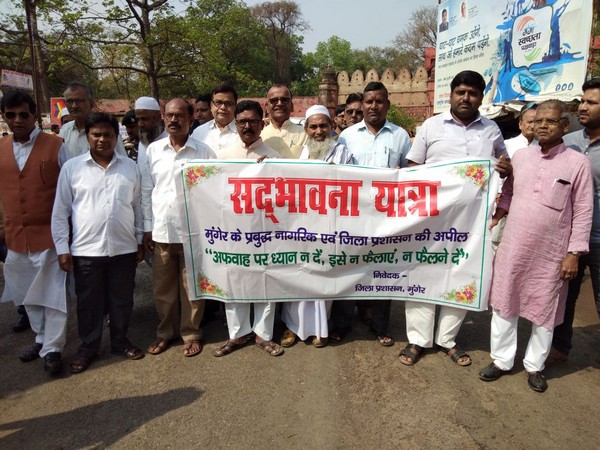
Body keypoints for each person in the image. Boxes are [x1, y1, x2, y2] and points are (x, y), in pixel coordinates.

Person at [479, 100, 593, 393]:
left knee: (545, 309)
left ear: (565, 126)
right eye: (537, 120)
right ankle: (502, 361)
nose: (542, 125)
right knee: (505, 303)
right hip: (514, 246)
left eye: (550, 121)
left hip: (552, 252)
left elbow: (583, 210)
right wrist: (495, 218)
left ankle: (535, 366)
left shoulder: (577, 163)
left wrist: (573, 253)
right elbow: (508, 194)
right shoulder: (520, 157)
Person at [400, 70, 509, 367]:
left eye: (473, 93)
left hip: (472, 222)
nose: (466, 98)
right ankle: (418, 340)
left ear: (481, 96)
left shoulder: (491, 130)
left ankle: (447, 339)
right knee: (422, 272)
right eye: (461, 91)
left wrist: (503, 167)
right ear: (451, 94)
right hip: (431, 219)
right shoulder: (431, 127)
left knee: (461, 274)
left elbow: (503, 162)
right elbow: (412, 168)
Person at [52, 112, 145, 373]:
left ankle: (119, 341)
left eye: (108, 135)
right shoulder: (73, 168)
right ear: (88, 137)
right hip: (86, 250)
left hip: (123, 248)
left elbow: (137, 207)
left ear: (117, 138)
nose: (102, 139)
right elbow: (61, 211)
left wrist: (138, 239)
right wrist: (62, 248)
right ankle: (88, 347)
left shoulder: (130, 168)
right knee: (89, 302)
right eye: (97, 134)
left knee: (122, 299)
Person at [333, 81, 411, 347]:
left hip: (385, 220)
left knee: (382, 272)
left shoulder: (400, 136)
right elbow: (337, 175)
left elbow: (410, 175)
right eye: (369, 102)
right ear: (362, 105)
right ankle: (342, 325)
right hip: (353, 219)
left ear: (387, 104)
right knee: (348, 270)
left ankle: (379, 326)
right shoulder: (348, 136)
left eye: (379, 101)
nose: (373, 106)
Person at [0, 91, 69, 375]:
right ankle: (40, 338)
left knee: (52, 293)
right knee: (27, 293)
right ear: (4, 117)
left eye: (23, 115)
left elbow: (69, 191)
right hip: (15, 236)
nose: (17, 120)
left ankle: (53, 348)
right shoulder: (0, 148)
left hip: (50, 235)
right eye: (10, 115)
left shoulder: (56, 145)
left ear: (33, 115)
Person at [141, 98, 216, 357]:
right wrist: (147, 228)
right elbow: (147, 190)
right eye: (169, 116)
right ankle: (165, 333)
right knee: (163, 288)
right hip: (162, 230)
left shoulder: (203, 152)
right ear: (163, 118)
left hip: (193, 233)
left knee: (192, 287)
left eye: (179, 116)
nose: (174, 120)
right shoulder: (153, 151)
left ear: (191, 119)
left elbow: (212, 194)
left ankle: (191, 333)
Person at [212, 100, 283, 358]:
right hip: (232, 231)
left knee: (266, 278)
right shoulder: (222, 157)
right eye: (242, 121)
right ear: (235, 123)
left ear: (261, 123)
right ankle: (237, 334)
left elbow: (282, 197)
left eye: (253, 121)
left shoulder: (274, 157)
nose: (247, 126)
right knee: (233, 278)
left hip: (265, 231)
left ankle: (264, 334)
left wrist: (267, 171)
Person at [280, 105, 352, 349]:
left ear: (332, 127)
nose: (318, 131)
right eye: (313, 126)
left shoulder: (342, 153)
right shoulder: (302, 153)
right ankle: (293, 327)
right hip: (301, 227)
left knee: (322, 278)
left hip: (329, 227)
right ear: (306, 130)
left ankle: (319, 329)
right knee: (298, 275)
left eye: (323, 126)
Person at [548, 78, 600, 364]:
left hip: (599, 239)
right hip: (567, 239)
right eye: (582, 100)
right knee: (564, 297)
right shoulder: (566, 143)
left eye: (592, 102)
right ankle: (559, 347)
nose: (583, 107)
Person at [59, 81, 127, 158]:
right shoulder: (65, 131)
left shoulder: (105, 129)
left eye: (79, 101)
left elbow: (122, 160)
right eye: (69, 101)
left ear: (91, 103)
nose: (74, 106)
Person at [191, 84, 241, 156]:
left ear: (235, 106)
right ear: (211, 105)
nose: (223, 107)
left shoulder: (245, 132)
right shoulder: (198, 133)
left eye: (228, 103)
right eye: (218, 103)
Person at [261, 84, 307, 159]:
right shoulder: (259, 136)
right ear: (266, 107)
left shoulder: (305, 134)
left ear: (292, 106)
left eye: (284, 100)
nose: (279, 104)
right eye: (274, 100)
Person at [135, 96, 166, 167]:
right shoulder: (142, 142)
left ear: (158, 117)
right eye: (138, 120)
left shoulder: (170, 141)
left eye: (144, 119)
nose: (140, 124)